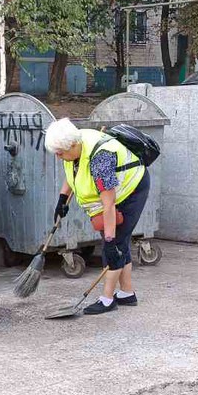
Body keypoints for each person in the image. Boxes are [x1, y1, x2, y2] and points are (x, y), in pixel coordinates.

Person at [43, 118, 151, 315]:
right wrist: (62, 198)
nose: (58, 157)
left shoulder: (100, 161)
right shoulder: (75, 146)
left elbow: (108, 205)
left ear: (73, 145)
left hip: (132, 190)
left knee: (115, 244)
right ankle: (127, 293)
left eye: (60, 153)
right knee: (120, 242)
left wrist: (109, 241)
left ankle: (107, 300)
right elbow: (73, 172)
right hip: (114, 192)